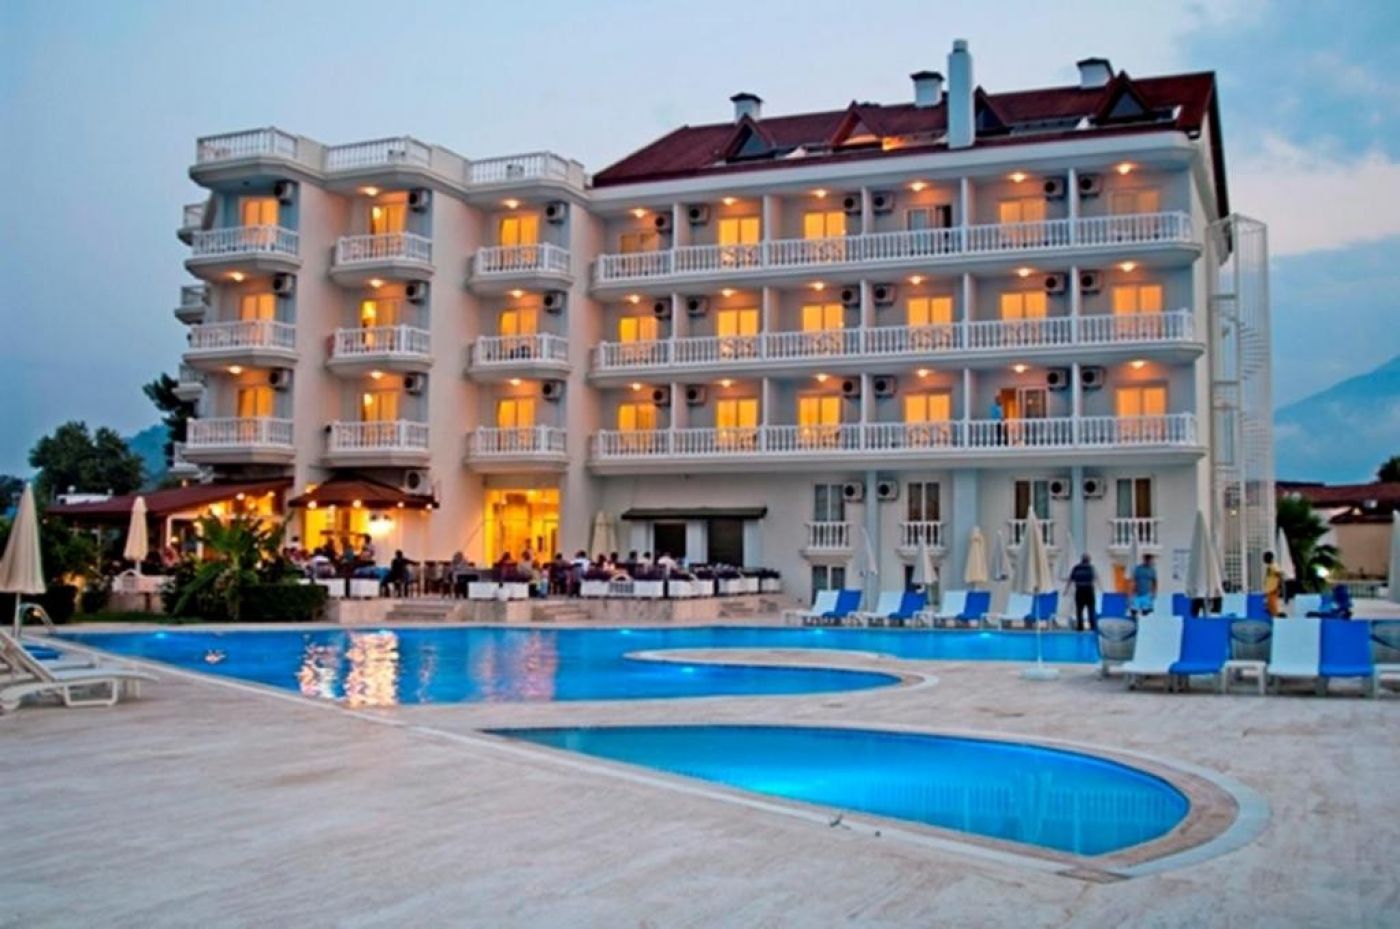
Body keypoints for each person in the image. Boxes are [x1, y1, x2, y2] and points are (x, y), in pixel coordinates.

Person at [1064, 554, 1099, 632]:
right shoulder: (1091, 568)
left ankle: (1080, 627)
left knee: (1079, 609)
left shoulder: (1076, 568)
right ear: (1089, 560)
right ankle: (1092, 627)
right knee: (1091, 609)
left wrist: (1066, 590)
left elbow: (1070, 579)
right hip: (1089, 590)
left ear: (1081, 560)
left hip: (1079, 590)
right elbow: (1095, 579)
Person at [1263, 551, 1283, 617]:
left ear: (1270, 558)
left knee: (1273, 606)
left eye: (1265, 558)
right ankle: (1273, 618)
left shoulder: (1274, 566)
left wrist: (1278, 587)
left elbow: (1279, 576)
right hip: (1270, 590)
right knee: (1270, 606)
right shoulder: (1269, 566)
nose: (1264, 559)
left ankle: (1276, 619)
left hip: (1273, 589)